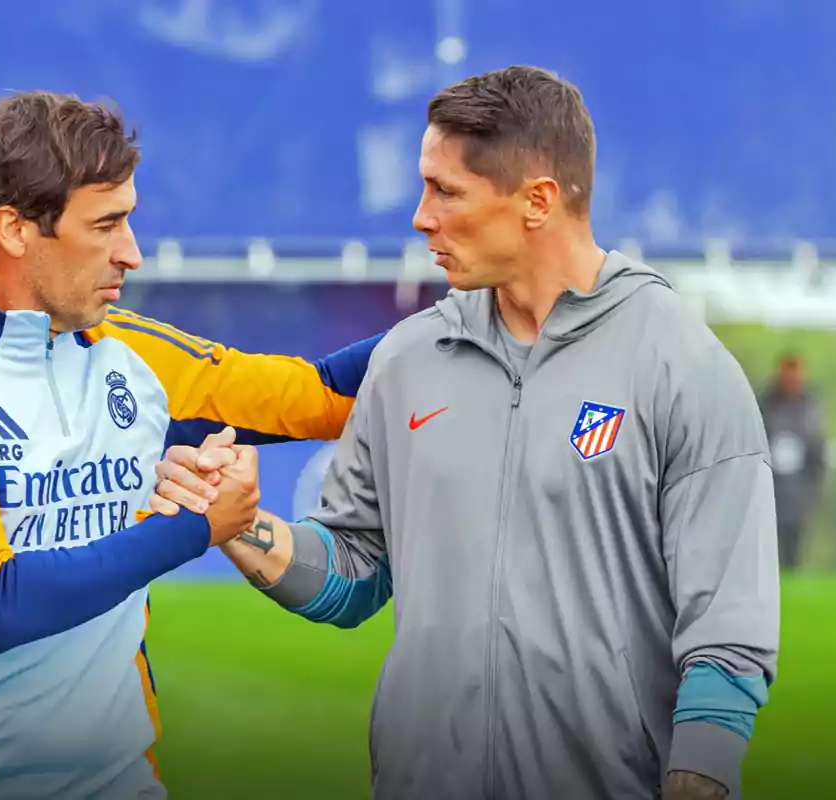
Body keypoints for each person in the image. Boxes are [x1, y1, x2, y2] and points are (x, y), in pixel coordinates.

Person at [151, 66, 780, 800]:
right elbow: (354, 572)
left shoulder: (681, 363)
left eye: (446, 191)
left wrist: (699, 774)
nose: (421, 216)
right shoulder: (407, 359)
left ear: (538, 201)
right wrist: (239, 525)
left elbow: (728, 630)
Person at [0, 91, 381, 800]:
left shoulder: (134, 354)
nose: (133, 251)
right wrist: (195, 527)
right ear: (15, 229)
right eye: (107, 224)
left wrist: (486, 300)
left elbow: (327, 396)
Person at [758, 354, 826, 570]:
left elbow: (818, 449)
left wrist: (815, 488)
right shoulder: (765, 404)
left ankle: (793, 570)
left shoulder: (810, 407)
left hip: (800, 485)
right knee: (768, 538)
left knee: (795, 538)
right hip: (770, 484)